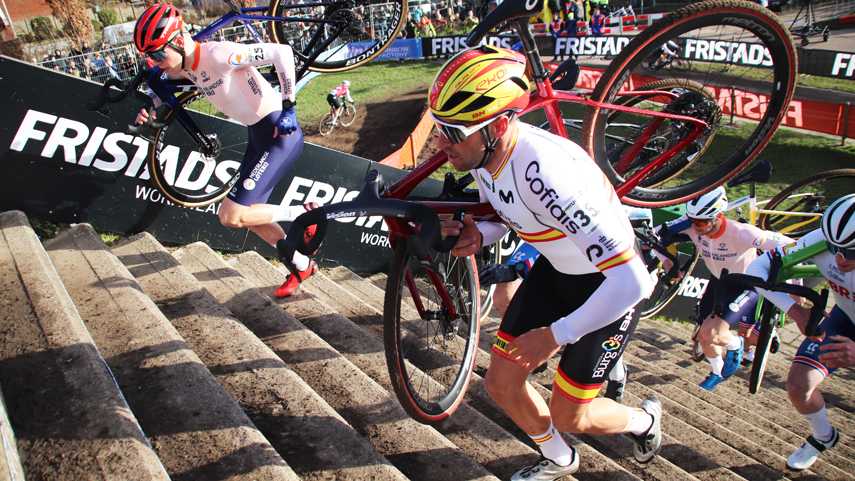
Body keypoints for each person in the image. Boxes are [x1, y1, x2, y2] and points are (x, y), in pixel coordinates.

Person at [431, 45, 661, 480]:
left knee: (573, 415)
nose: (442, 143)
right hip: (558, 272)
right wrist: (481, 233)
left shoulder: (550, 176)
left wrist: (556, 335)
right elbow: (507, 212)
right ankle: (560, 459)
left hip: (609, 289)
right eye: (440, 128)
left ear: (497, 125)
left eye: (454, 132)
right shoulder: (484, 153)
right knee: (500, 383)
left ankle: (644, 420)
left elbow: (633, 282)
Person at [132, 2, 316, 298]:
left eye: (156, 53)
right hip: (258, 136)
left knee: (231, 215)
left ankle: (306, 213)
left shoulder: (220, 54)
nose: (154, 61)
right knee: (252, 217)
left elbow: (282, 53)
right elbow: (161, 90)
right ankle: (301, 264)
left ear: (178, 40)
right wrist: (148, 109)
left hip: (277, 134)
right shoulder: (187, 66)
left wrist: (289, 106)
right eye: (148, 56)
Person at [745, 194, 855, 471]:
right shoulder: (821, 238)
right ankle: (823, 437)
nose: (840, 259)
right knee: (798, 386)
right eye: (834, 248)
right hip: (845, 317)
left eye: (851, 252)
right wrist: (796, 312)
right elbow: (757, 268)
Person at [657, 187, 793, 391]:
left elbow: (788, 245)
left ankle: (739, 343)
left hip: (747, 284)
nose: (697, 227)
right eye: (692, 221)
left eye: (702, 222)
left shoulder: (742, 232)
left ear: (718, 216)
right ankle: (717, 371)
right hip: (719, 281)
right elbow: (656, 236)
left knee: (718, 334)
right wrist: (669, 264)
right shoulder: (693, 227)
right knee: (703, 336)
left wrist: (792, 283)